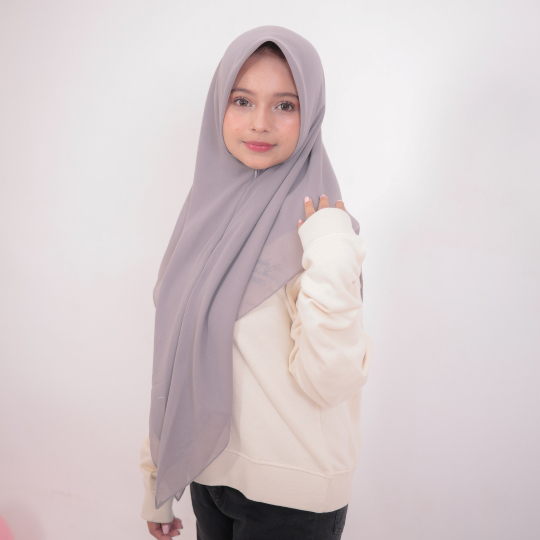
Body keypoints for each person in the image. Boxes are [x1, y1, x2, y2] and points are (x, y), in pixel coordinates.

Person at [139, 25, 373, 540]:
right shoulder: (203, 218)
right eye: (242, 100)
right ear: (218, 106)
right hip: (208, 476)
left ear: (311, 114)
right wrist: (158, 478)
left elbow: (330, 382)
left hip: (291, 501)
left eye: (285, 105)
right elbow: (175, 356)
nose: (260, 122)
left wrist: (332, 249)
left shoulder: (322, 231)